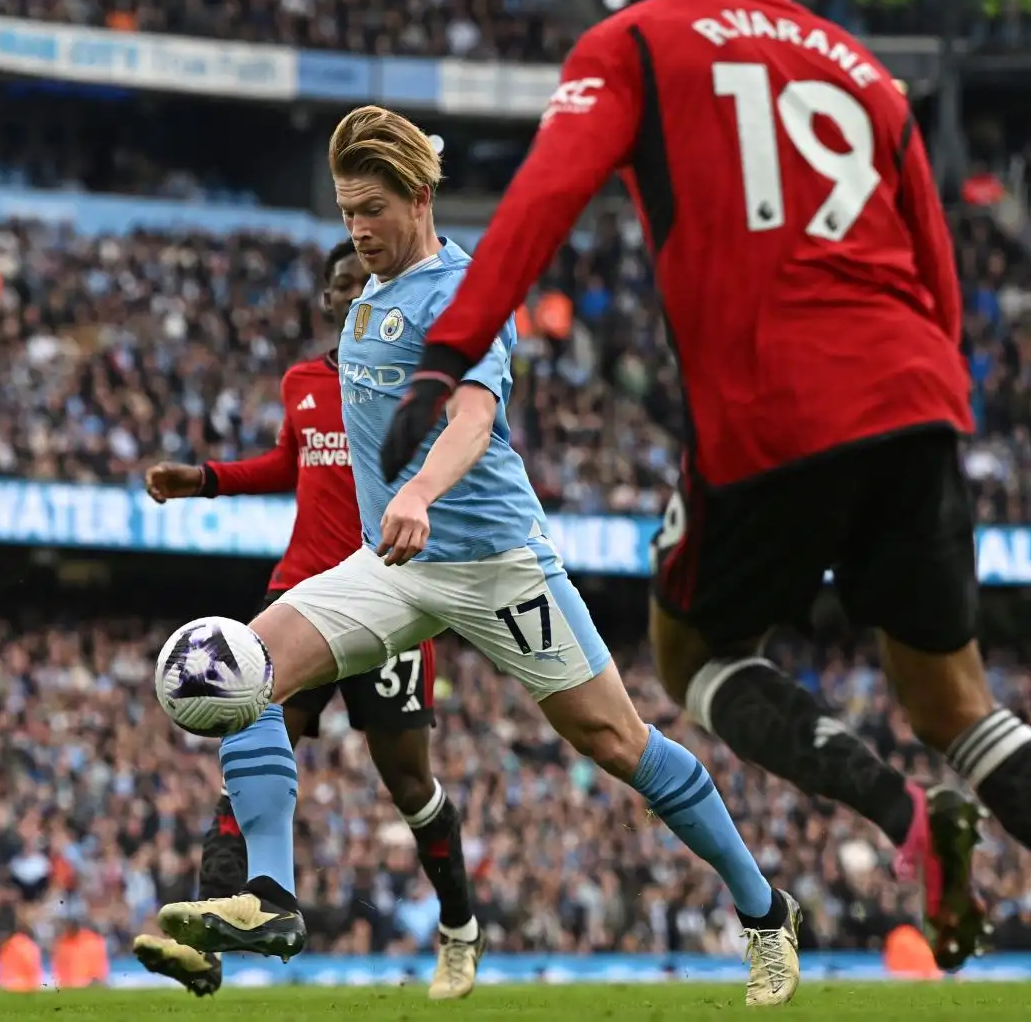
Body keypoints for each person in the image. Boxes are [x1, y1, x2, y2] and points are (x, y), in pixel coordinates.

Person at [377, 0, 1031, 1018]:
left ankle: (904, 818)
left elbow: (540, 202)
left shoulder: (638, 42)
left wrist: (447, 354)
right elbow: (940, 276)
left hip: (773, 405)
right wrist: (934, 407)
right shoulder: (872, 80)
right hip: (916, 398)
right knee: (956, 702)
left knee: (693, 654)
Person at [156, 106, 802, 1009]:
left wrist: (420, 491)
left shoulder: (466, 291)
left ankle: (766, 911)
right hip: (393, 566)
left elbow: (471, 415)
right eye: (346, 211)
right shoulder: (371, 296)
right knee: (242, 666)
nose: (357, 229)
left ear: (418, 197)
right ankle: (271, 896)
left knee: (615, 741)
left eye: (371, 209)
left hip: (496, 563)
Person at [134, 240, 483, 1001]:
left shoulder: (413, 379)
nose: (354, 291)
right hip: (299, 594)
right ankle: (211, 945)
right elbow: (294, 462)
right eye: (342, 283)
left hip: (388, 595)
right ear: (327, 298)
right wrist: (206, 480)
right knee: (244, 733)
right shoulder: (302, 381)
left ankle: (458, 923)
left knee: (410, 787)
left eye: (367, 279)